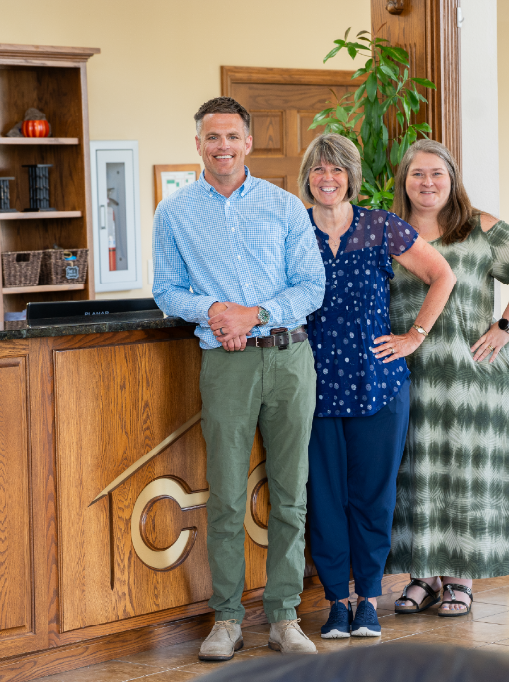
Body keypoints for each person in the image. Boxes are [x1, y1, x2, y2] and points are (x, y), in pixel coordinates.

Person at [152, 97, 325, 660]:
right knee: (226, 496)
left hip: (289, 358)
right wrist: (214, 311)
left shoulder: (284, 206)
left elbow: (311, 285)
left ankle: (284, 617)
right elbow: (166, 289)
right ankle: (226, 619)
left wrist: (255, 314)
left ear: (248, 143)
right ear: (198, 145)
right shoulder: (174, 214)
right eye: (212, 137)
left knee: (291, 494)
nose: (222, 146)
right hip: (226, 365)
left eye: (231, 137)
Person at [386, 139, 509, 617]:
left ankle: (460, 578)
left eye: (437, 173)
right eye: (418, 174)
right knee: (416, 474)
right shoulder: (390, 231)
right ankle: (423, 574)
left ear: (452, 179)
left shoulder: (478, 228)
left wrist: (506, 327)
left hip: (473, 379)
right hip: (411, 375)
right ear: (404, 180)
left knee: (464, 477)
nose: (427, 183)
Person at [301, 134, 455, 639]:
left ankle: (368, 600)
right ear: (308, 177)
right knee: (324, 501)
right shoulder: (294, 228)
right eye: (319, 169)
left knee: (374, 498)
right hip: (313, 387)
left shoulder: (381, 225)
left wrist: (414, 336)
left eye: (337, 170)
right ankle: (336, 603)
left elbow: (442, 275)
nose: (328, 178)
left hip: (379, 386)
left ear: (352, 177)